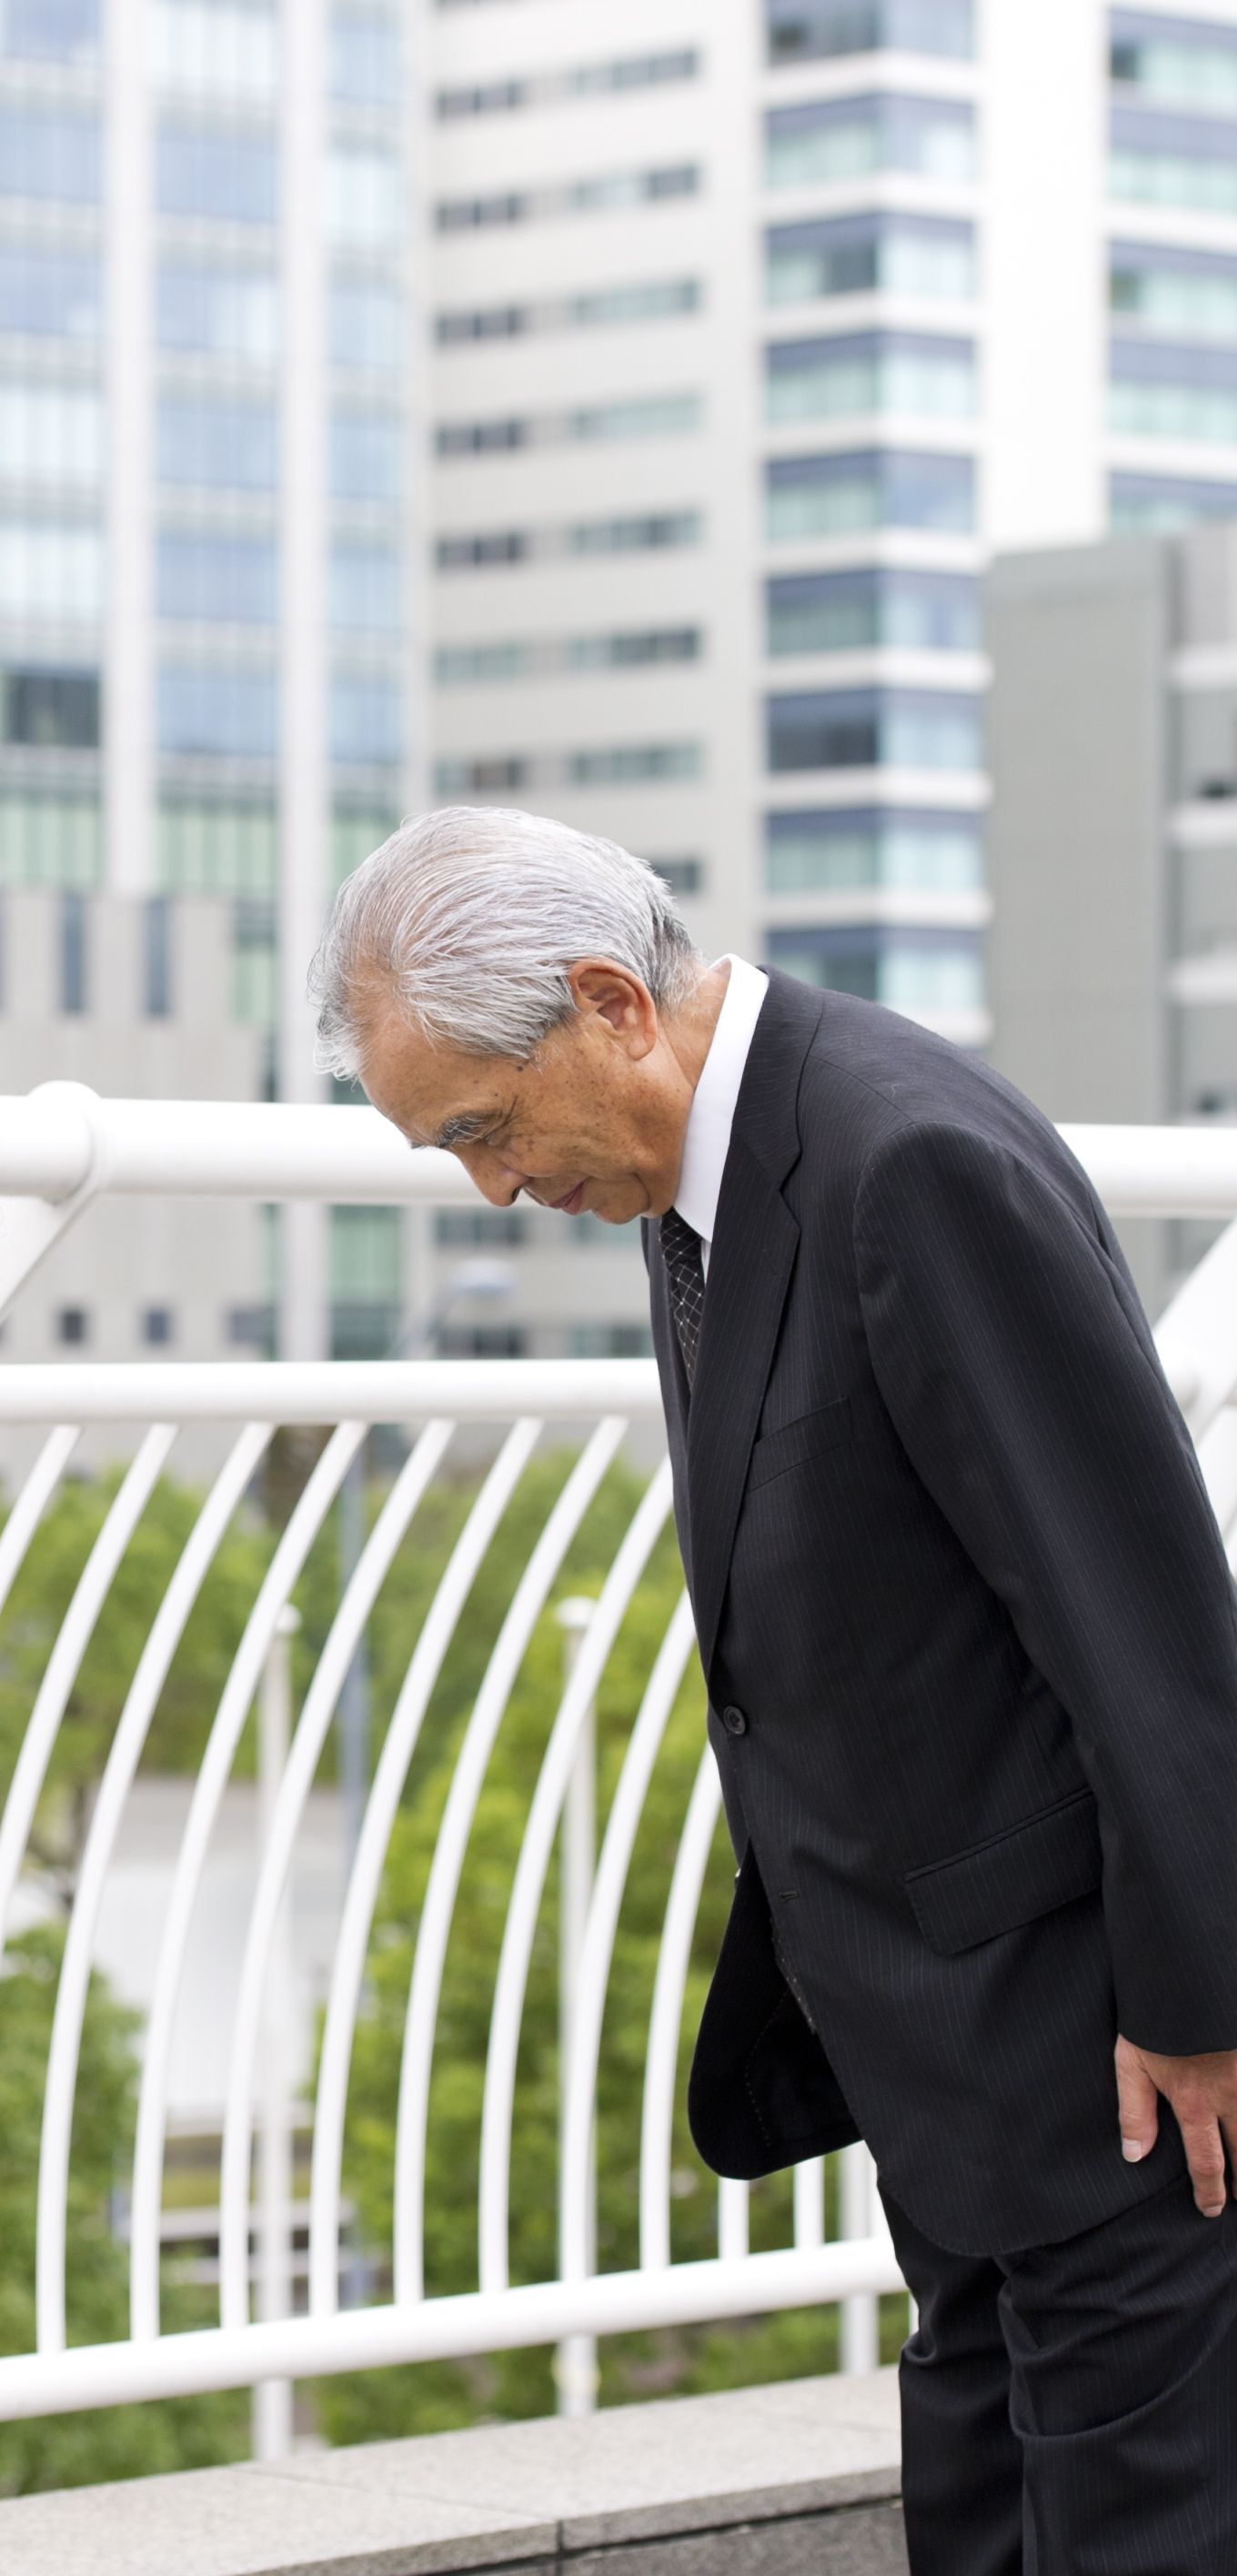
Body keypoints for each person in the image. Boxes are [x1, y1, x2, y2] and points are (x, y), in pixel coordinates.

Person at [310, 806, 1237, 2571]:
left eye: (487, 1130)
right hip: (953, 2078)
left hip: (1109, 2072)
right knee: (978, 2528)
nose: (493, 1187)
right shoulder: (704, 1187)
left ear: (609, 1004)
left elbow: (1147, 1616)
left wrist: (1203, 2004)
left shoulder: (908, 1164)